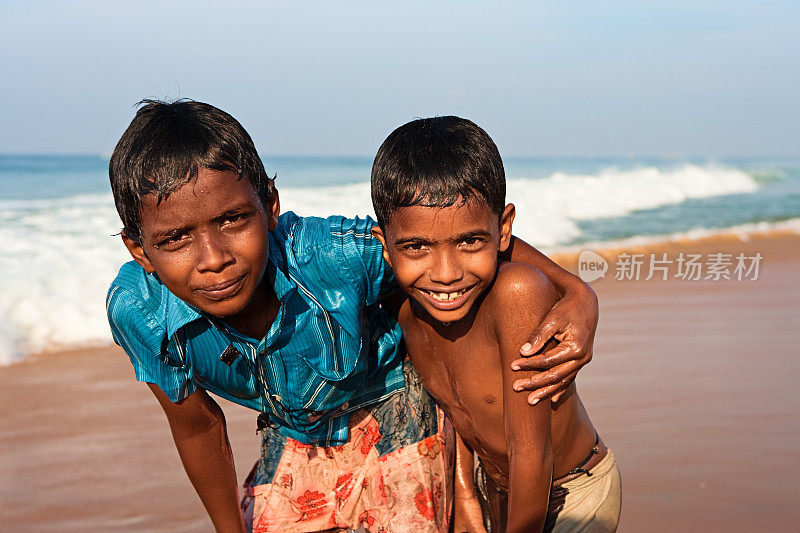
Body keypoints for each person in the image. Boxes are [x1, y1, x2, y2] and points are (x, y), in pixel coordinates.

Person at [105, 100, 600, 532]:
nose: (213, 258)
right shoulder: (141, 314)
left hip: (394, 406)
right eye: (175, 239)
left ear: (271, 207)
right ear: (139, 249)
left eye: (233, 220)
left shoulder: (332, 256)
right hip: (293, 431)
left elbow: (448, 235)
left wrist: (577, 293)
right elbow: (197, 428)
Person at [370, 116, 622, 532]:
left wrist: (579, 291)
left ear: (503, 229)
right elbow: (457, 408)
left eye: (470, 242)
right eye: (417, 247)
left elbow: (531, 453)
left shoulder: (516, 293)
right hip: (497, 493)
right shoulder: (404, 309)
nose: (446, 274)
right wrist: (466, 491)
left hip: (571, 494)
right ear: (385, 246)